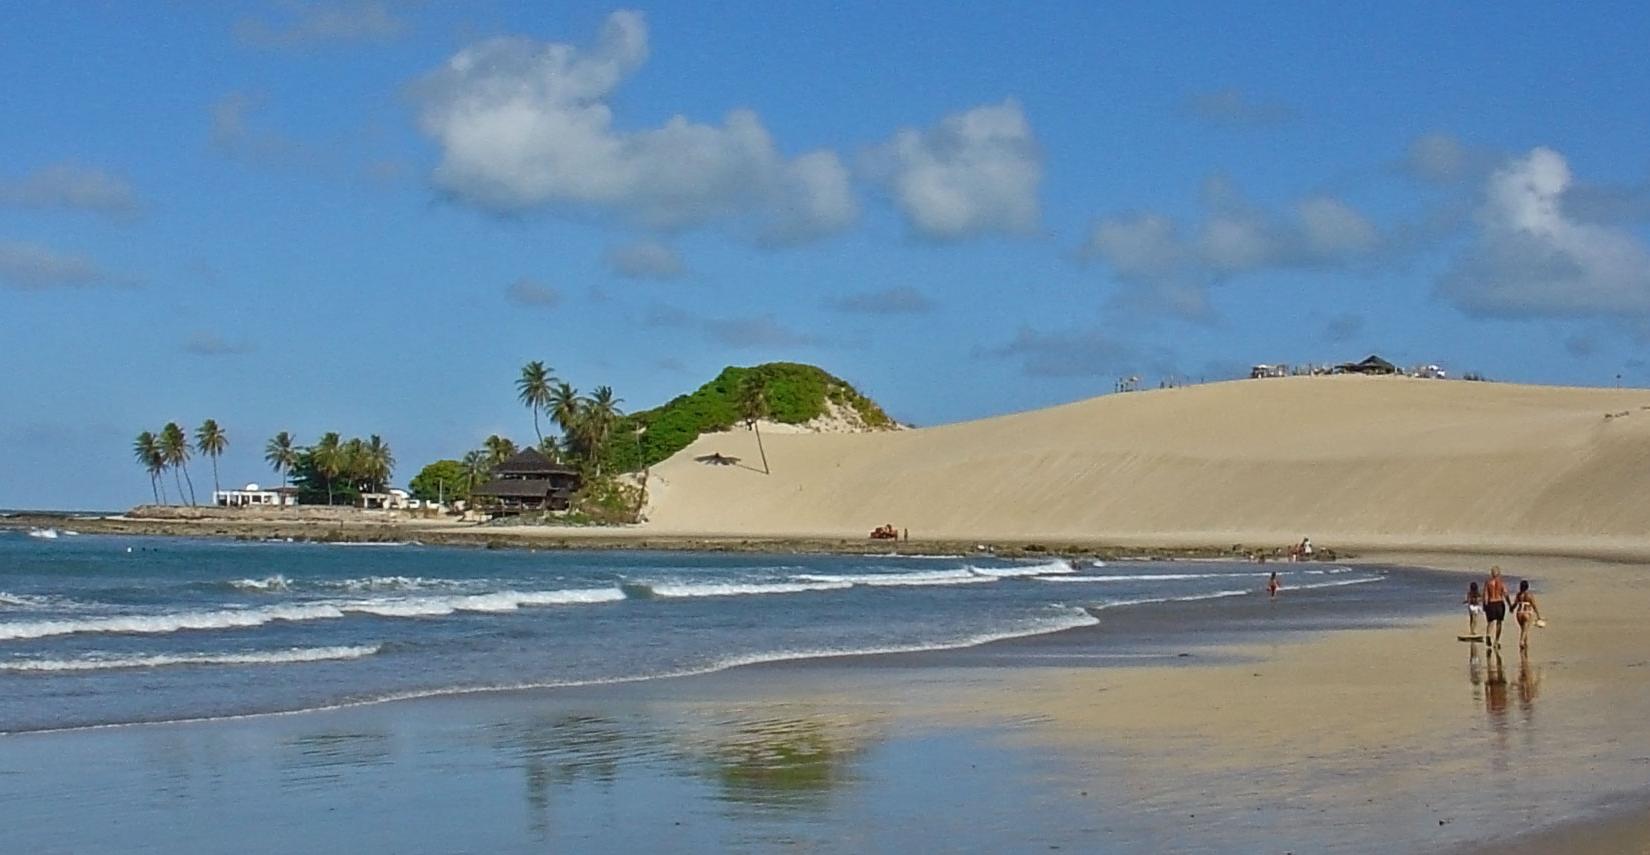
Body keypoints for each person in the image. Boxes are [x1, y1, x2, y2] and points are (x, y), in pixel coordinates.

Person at [1483, 566, 1512, 649]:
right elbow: (1506, 594)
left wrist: (1485, 605)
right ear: (1499, 573)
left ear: (1492, 573)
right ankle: (1496, 641)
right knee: (1499, 623)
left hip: (1491, 603)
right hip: (1499, 603)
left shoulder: (1488, 582)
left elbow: (1485, 595)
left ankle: (1488, 635)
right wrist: (1510, 605)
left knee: (1490, 622)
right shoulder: (1501, 582)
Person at [1512, 579, 1543, 652]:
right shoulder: (1529, 595)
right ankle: (1521, 641)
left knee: (1523, 629)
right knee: (1525, 629)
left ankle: (1525, 644)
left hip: (1519, 613)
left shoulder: (1518, 595)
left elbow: (1515, 604)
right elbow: (1534, 605)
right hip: (1527, 612)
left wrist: (1511, 608)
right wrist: (1538, 615)